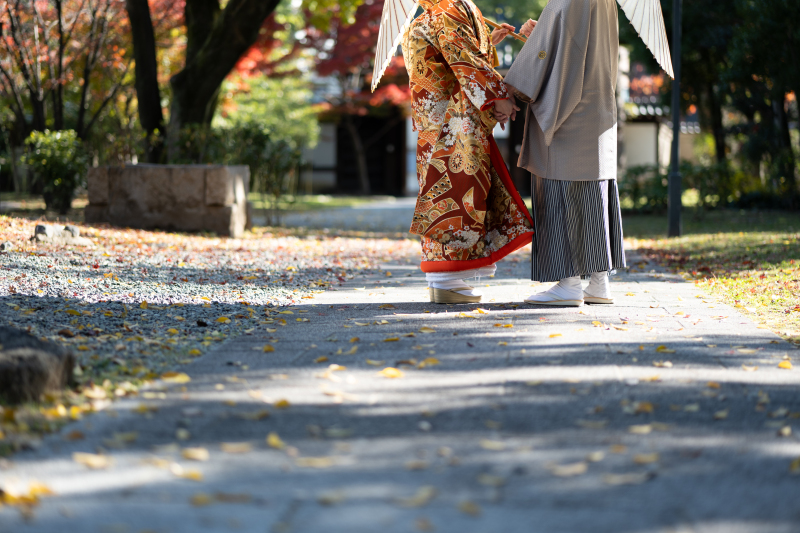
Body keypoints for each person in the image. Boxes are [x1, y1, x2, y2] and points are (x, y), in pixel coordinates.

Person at [402, 0, 534, 304]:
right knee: (457, 190)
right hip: (452, 118)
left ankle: (443, 280)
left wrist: (488, 40)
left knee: (440, 189)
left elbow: (456, 52)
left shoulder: (431, 12)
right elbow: (464, 57)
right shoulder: (451, 7)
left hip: (434, 120)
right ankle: (448, 279)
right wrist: (497, 97)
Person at [497, 0, 626, 306]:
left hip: (567, 115)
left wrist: (510, 92)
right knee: (594, 194)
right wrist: (542, 33)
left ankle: (568, 284)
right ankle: (598, 283)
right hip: (597, 112)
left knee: (561, 190)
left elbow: (543, 57)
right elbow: (572, 46)